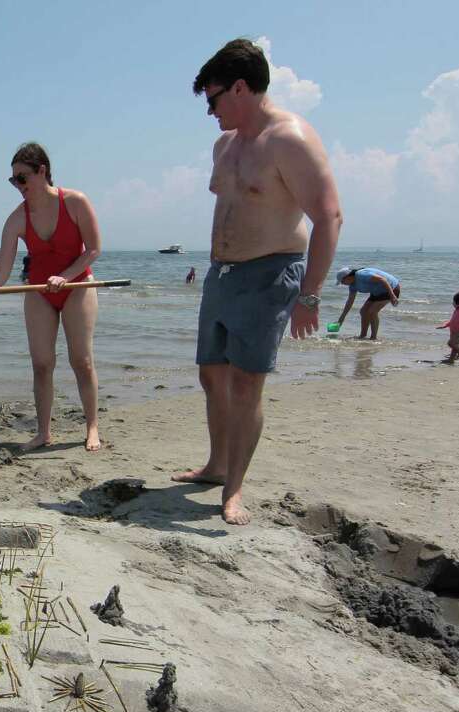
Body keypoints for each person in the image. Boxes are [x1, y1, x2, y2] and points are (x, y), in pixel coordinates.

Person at [172, 39, 342, 525]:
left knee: (247, 385)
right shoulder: (224, 143)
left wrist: (309, 295)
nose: (209, 111)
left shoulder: (290, 139)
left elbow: (329, 217)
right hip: (221, 275)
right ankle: (216, 463)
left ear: (241, 88)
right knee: (211, 376)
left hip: (270, 274)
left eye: (213, 98)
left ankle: (234, 490)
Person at [0, 142, 103, 452]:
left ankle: (91, 427)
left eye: (22, 178)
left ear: (42, 171)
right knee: (41, 363)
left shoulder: (75, 202)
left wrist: (65, 276)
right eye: (13, 180)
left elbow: (93, 249)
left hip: (77, 288)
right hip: (38, 292)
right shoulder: (16, 219)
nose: (18, 186)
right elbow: (0, 273)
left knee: (82, 360)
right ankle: (43, 433)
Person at [333, 266, 399, 339]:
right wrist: (341, 319)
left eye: (342, 281)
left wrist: (392, 295)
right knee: (363, 311)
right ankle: (363, 335)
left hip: (391, 288)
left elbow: (382, 279)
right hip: (377, 292)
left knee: (372, 312)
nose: (342, 284)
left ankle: (373, 338)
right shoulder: (352, 286)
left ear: (347, 277)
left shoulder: (361, 275)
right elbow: (349, 302)